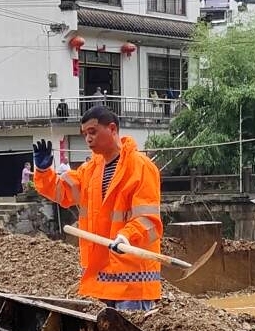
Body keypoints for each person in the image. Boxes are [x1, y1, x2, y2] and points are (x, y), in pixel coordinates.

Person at [32, 105, 162, 312]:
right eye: (85, 134)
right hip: (102, 278)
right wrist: (43, 170)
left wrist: (126, 236)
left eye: (93, 132)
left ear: (112, 129)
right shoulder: (90, 170)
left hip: (132, 278)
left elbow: (148, 219)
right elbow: (62, 193)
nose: (88, 139)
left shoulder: (140, 167)